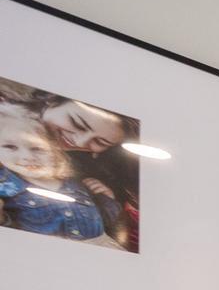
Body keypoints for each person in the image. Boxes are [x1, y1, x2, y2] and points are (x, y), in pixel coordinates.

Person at [0, 106, 127, 247]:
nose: (26, 157)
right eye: (9, 147)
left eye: (38, 148)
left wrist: (107, 200)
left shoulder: (76, 183)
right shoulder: (4, 190)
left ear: (56, 152)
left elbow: (101, 221)